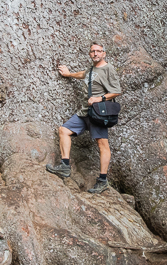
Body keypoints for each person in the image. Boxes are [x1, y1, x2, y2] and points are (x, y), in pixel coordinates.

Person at [46, 42, 121, 194]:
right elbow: (83, 74)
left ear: (104, 53)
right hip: (85, 112)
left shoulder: (108, 69)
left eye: (98, 51)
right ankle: (65, 166)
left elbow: (116, 91)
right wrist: (68, 74)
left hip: (99, 113)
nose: (95, 54)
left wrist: (99, 98)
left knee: (102, 145)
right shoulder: (91, 70)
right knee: (64, 130)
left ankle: (102, 181)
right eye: (93, 51)